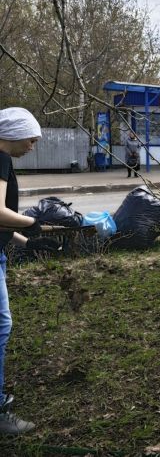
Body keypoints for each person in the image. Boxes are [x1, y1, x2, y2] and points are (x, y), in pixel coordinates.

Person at [0, 107, 61, 435]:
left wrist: (27, 242)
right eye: (31, 138)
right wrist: (35, 223)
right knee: (1, 325)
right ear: (13, 133)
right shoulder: (1, 159)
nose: (33, 144)